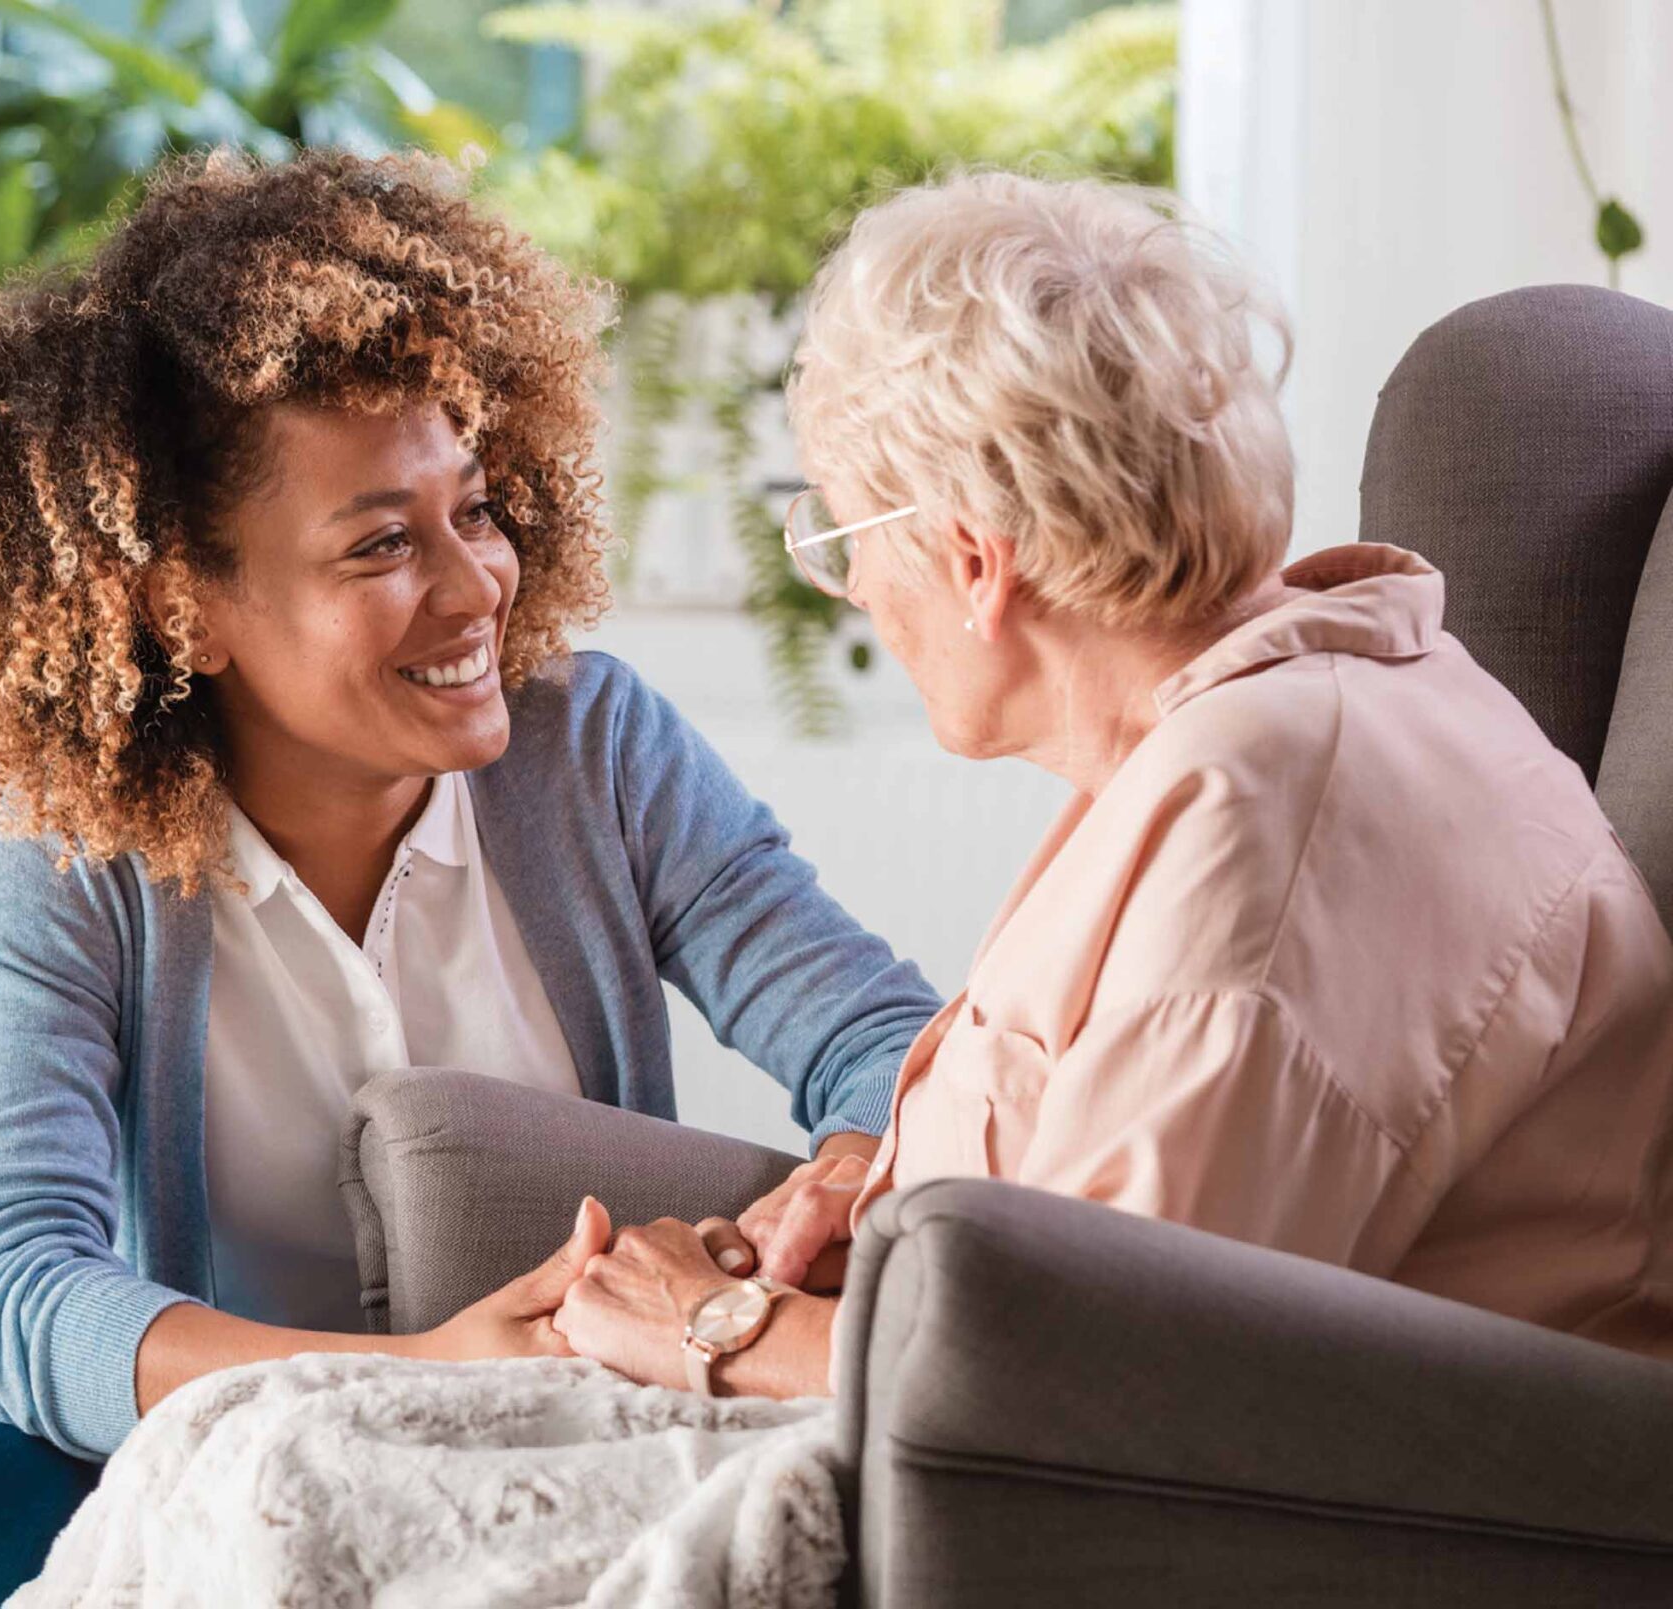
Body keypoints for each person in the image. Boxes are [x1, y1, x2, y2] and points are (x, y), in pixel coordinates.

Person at [0, 149, 942, 1608]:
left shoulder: (593, 751)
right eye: (381, 544)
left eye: (475, 509)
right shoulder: (62, 834)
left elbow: (888, 1048)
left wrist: (829, 1196)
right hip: (202, 1466)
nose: (478, 586)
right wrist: (408, 1376)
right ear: (182, 604)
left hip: (557, 1448)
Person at [553, 171, 1673, 1400]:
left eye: (843, 536)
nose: (858, 588)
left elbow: (1106, 1381)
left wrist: (719, 1326)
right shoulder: (1278, 719)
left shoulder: (1265, 816)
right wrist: (872, 1206)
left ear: (974, 561)